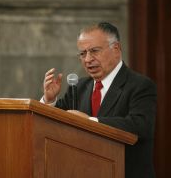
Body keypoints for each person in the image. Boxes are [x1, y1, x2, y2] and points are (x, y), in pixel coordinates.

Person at [41, 22, 156, 178]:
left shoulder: (139, 85)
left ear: (116, 49)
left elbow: (140, 126)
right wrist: (50, 100)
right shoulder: (79, 87)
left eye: (94, 51)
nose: (88, 59)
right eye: (82, 53)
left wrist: (90, 121)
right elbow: (52, 125)